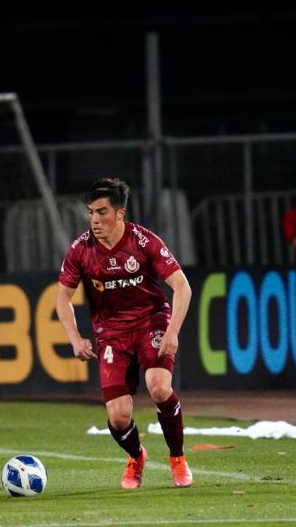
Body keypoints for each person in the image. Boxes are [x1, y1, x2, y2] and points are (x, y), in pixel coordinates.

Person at [55, 177, 194, 489]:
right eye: (91, 212)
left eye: (102, 212)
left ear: (120, 213)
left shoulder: (143, 242)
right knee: (118, 417)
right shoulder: (80, 250)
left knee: (158, 387)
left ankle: (177, 458)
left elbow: (182, 287)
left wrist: (172, 332)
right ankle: (136, 456)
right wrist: (75, 338)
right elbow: (62, 298)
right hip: (111, 334)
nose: (94, 220)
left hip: (150, 322)